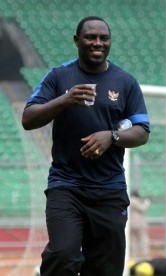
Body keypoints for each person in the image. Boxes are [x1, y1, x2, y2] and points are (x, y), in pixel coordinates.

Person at [22, 16, 150, 276]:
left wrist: (111, 136)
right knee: (62, 255)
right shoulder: (59, 76)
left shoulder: (125, 83)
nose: (97, 43)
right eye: (90, 37)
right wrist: (65, 100)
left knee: (105, 269)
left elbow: (142, 132)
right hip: (66, 186)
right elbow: (28, 118)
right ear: (76, 40)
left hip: (109, 190)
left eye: (104, 38)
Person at [130, 190, 151, 259]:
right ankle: (143, 255)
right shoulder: (135, 200)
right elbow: (143, 208)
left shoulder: (128, 200)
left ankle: (134, 255)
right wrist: (147, 202)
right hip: (139, 223)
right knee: (143, 238)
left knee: (134, 240)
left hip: (131, 223)